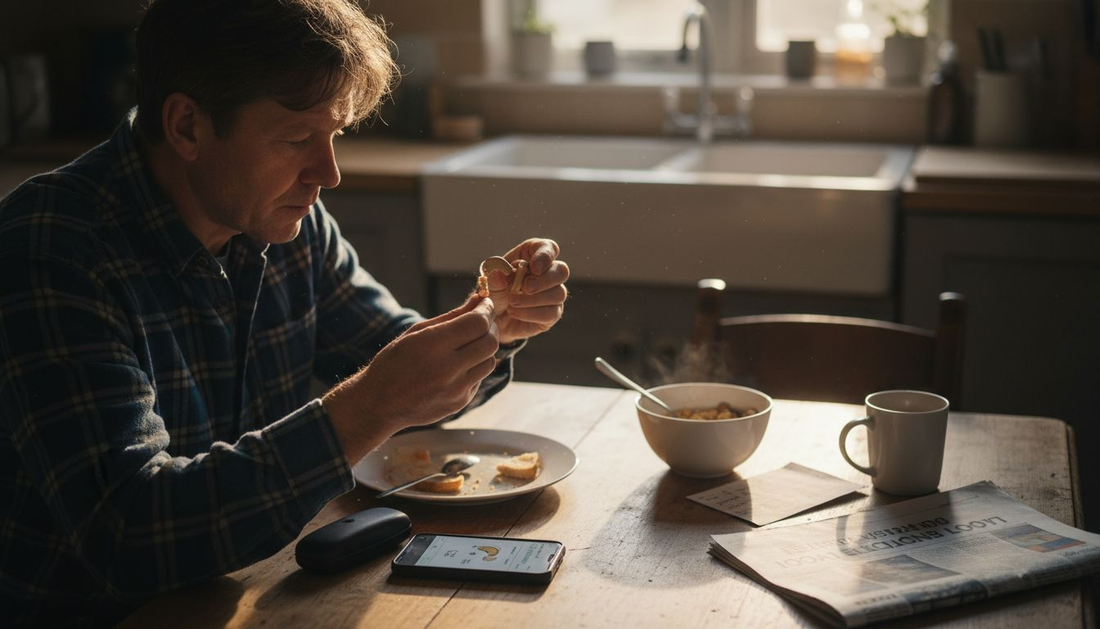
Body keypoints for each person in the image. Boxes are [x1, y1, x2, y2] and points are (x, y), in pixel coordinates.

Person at [0, 0, 569, 625]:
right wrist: (371, 405)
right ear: (188, 126)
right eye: (297, 138)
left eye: (336, 135)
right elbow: (131, 535)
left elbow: (396, 362)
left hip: (241, 591)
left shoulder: (282, 222)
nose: (328, 173)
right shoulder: (51, 249)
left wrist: (491, 322)